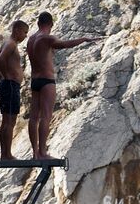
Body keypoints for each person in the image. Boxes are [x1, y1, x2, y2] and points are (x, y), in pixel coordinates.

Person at [25, 11, 102, 159]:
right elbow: (65, 44)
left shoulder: (31, 40)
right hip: (47, 81)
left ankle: (35, 153)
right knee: (46, 116)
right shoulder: (47, 38)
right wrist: (84, 39)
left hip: (34, 81)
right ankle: (42, 153)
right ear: (51, 24)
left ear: (38, 23)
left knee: (34, 117)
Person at [0, 19, 28, 160]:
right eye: (24, 32)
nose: (25, 35)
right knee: (9, 121)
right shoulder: (11, 44)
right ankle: (6, 154)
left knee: (8, 121)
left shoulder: (9, 43)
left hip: (10, 84)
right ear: (17, 30)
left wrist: (2, 77)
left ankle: (5, 154)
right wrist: (5, 77)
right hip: (10, 85)